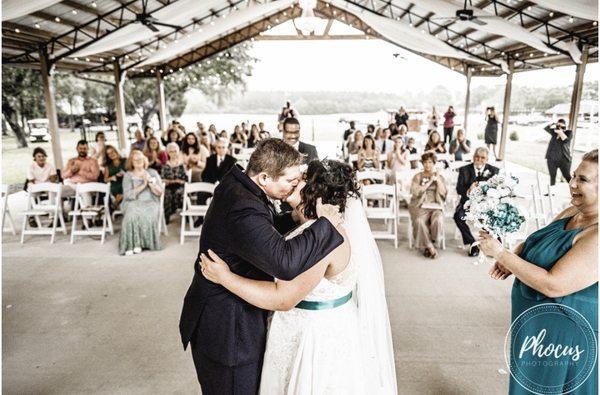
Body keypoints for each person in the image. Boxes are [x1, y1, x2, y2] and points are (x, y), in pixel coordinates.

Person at [199, 159, 397, 394]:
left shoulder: (321, 237)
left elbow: (283, 298)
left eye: (302, 179)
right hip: (322, 326)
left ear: (315, 191)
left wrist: (224, 277)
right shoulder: (317, 228)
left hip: (312, 339)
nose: (295, 181)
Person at [179, 138, 345, 394]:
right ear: (265, 177)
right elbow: (284, 263)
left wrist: (292, 218)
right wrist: (324, 225)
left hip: (222, 316)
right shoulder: (242, 206)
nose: (293, 186)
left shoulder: (240, 184)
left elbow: (258, 233)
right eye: (290, 180)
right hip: (229, 330)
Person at [479, 149, 598, 395]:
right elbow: (538, 240)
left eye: (583, 179)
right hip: (536, 327)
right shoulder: (572, 212)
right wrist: (516, 255)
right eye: (573, 176)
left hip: (565, 335)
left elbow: (555, 285)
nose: (572, 183)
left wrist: (502, 255)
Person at [453, 147, 499, 256]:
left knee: (494, 217)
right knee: (458, 216)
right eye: (477, 157)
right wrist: (469, 189)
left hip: (486, 204)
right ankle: (472, 243)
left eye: (483, 158)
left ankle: (494, 244)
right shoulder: (464, 170)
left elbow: (497, 190)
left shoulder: (494, 171)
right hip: (467, 203)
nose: (479, 159)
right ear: (473, 157)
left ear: (487, 159)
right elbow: (459, 189)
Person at [119, 150, 163, 256]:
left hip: (151, 201)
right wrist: (143, 185)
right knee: (131, 215)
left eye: (140, 159)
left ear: (144, 160)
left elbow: (160, 192)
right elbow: (128, 195)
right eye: (135, 160)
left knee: (148, 214)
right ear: (131, 162)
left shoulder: (152, 172)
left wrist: (150, 183)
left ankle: (143, 244)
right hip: (133, 202)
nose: (138, 161)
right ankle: (131, 245)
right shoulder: (128, 175)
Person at [409, 153, 447, 259]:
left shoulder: (440, 176)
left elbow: (443, 193)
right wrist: (429, 182)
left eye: (430, 162)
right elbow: (416, 192)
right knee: (419, 221)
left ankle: (431, 242)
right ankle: (430, 246)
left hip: (436, 205)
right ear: (422, 163)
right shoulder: (418, 176)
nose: (427, 165)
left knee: (438, 219)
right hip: (421, 205)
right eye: (425, 162)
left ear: (434, 163)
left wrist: (437, 179)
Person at [161, 142, 187, 225]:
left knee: (179, 192)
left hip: (180, 186)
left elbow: (185, 180)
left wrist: (178, 181)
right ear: (168, 153)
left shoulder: (182, 165)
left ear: (178, 151)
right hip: (168, 186)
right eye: (171, 151)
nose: (173, 153)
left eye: (175, 151)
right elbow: (162, 179)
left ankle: (186, 217)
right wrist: (173, 181)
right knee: (166, 194)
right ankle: (166, 217)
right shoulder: (165, 165)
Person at [544, 119, 573, 186]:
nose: (560, 128)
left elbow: (565, 140)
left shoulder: (569, 132)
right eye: (558, 126)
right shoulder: (554, 132)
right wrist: (553, 123)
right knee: (552, 177)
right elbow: (546, 128)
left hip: (564, 160)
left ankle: (574, 191)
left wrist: (561, 131)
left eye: (562, 126)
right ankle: (552, 192)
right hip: (551, 159)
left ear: (565, 126)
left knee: (567, 176)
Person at [103, 145, 126, 210]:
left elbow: (132, 173)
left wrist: (125, 174)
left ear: (116, 151)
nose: (111, 154)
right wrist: (112, 177)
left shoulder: (125, 160)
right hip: (115, 185)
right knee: (121, 190)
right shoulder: (107, 166)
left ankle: (115, 203)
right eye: (108, 154)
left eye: (112, 152)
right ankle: (118, 202)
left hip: (126, 182)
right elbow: (105, 180)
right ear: (107, 156)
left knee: (126, 188)